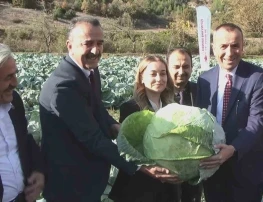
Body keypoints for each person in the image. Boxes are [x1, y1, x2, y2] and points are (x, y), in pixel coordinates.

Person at [39, 17, 177, 202]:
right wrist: (141, 165)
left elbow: (98, 109)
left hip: (88, 180)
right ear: (69, 45)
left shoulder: (89, 71)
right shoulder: (63, 88)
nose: (96, 50)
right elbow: (93, 138)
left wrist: (116, 127)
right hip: (70, 185)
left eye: (100, 43)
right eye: (88, 43)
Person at [197, 23, 263, 202]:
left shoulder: (257, 77)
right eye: (223, 46)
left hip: (245, 167)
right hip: (212, 168)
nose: (229, 52)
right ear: (214, 48)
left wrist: (232, 149)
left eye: (235, 45)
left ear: (242, 47)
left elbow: (257, 121)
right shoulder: (204, 79)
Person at [109, 55, 180, 202]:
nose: (159, 78)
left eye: (163, 73)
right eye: (153, 74)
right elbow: (127, 149)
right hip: (139, 186)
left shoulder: (173, 107)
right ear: (141, 78)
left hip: (168, 186)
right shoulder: (130, 108)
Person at [0, 43, 44, 202]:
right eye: (8, 77)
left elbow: (25, 141)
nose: (15, 82)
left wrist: (38, 170)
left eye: (15, 74)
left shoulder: (14, 102)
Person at [166, 47, 202, 202]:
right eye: (176, 66)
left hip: (193, 170)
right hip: (165, 171)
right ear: (167, 67)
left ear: (192, 68)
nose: (181, 71)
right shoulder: (157, 92)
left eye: (186, 66)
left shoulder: (200, 91)